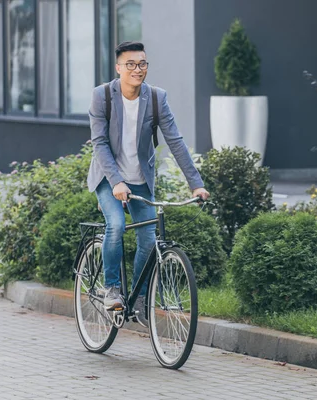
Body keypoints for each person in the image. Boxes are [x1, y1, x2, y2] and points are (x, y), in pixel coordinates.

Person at [87, 41, 209, 327]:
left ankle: (140, 298)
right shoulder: (102, 96)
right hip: (109, 178)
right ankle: (112, 288)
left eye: (142, 64)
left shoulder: (156, 98)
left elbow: (175, 141)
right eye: (130, 64)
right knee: (115, 225)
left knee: (148, 240)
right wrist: (116, 181)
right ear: (118, 68)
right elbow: (100, 143)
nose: (137, 70)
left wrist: (196, 184)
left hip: (140, 180)